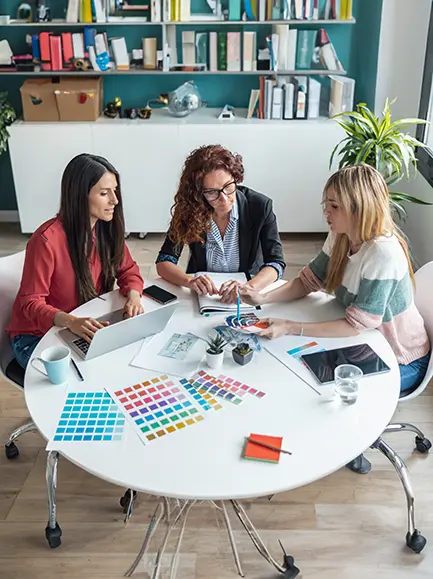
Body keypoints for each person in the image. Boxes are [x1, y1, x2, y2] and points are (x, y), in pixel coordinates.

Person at [240, 164, 431, 395]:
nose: (326, 212)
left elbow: (354, 326)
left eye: (334, 206)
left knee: (331, 390)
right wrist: (263, 297)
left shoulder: (382, 253)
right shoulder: (340, 235)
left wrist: (290, 327)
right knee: (296, 370)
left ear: (359, 209)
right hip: (364, 341)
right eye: (326, 204)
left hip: (399, 357)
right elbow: (308, 281)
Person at [7, 153, 144, 369]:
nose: (115, 201)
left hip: (80, 325)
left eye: (115, 191)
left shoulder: (105, 229)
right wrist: (71, 322)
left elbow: (129, 271)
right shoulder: (46, 240)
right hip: (36, 337)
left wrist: (134, 297)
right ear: (80, 196)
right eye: (103, 193)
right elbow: (30, 303)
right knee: (92, 374)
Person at [155, 144, 286, 303]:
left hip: (248, 288)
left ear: (235, 178)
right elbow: (164, 261)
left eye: (228, 186)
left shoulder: (260, 206)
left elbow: (276, 263)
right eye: (212, 192)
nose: (224, 199)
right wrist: (190, 281)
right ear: (198, 194)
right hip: (204, 295)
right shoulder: (189, 209)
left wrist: (249, 287)